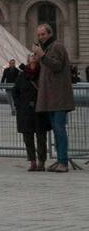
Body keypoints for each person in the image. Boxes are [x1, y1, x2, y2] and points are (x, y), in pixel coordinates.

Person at [32, 23, 75, 173]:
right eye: (39, 35)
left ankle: (63, 161)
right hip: (51, 97)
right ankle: (59, 161)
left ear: (50, 34)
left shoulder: (57, 47)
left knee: (59, 130)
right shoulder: (48, 48)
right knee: (57, 130)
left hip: (58, 97)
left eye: (43, 34)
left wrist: (42, 56)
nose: (40, 37)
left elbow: (57, 66)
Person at [12, 54, 52, 171]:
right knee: (28, 138)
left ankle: (41, 162)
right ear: (28, 60)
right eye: (31, 56)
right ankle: (32, 162)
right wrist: (19, 105)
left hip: (40, 110)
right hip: (25, 111)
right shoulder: (22, 75)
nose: (33, 57)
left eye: (35, 56)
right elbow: (15, 92)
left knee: (41, 138)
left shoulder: (43, 74)